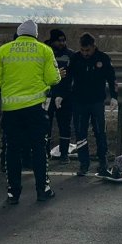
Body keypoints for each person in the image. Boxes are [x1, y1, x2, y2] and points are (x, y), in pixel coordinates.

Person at [0, 19, 61, 204]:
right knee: (39, 149)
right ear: (35, 35)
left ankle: (13, 193)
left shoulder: (3, 50)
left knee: (13, 151)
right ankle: (42, 190)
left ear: (19, 33)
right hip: (35, 108)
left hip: (11, 109)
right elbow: (53, 78)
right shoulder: (44, 50)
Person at [68, 32, 118, 177]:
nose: (85, 53)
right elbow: (67, 78)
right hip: (79, 102)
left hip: (96, 102)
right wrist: (59, 95)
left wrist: (114, 97)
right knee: (80, 133)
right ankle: (84, 163)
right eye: (83, 50)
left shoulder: (103, 58)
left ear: (93, 46)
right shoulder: (75, 58)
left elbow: (112, 79)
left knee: (100, 132)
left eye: (88, 50)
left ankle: (103, 162)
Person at [45, 29, 74, 163]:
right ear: (53, 41)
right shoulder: (45, 53)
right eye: (59, 40)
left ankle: (64, 154)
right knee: (45, 124)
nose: (62, 43)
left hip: (66, 96)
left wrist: (64, 94)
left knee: (65, 125)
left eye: (64, 40)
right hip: (48, 95)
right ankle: (45, 152)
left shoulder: (70, 55)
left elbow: (72, 77)